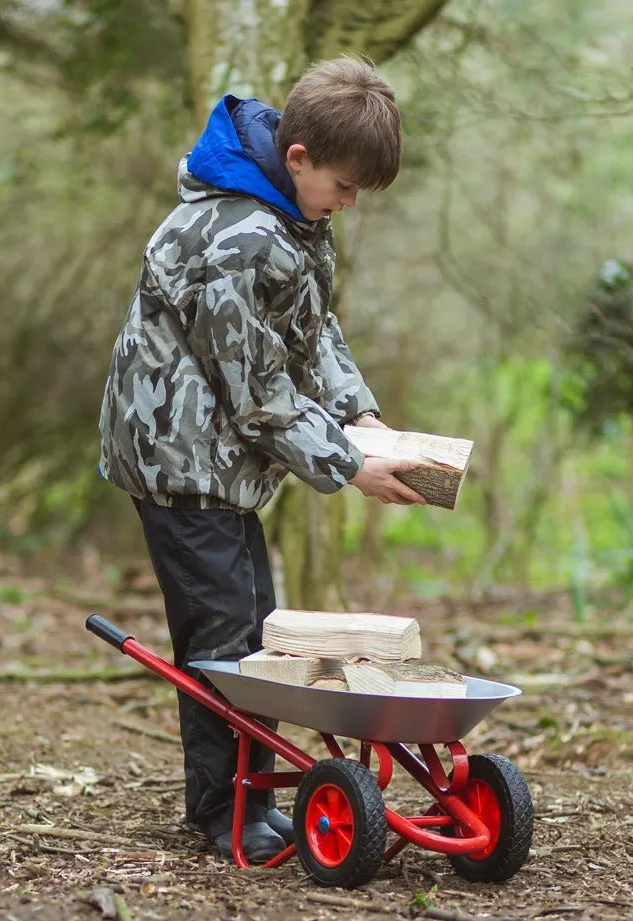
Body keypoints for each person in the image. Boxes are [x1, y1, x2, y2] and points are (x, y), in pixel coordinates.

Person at [98, 56, 425, 863]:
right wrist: (350, 466)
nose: (348, 205)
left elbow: (314, 334)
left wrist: (362, 415)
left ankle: (246, 797)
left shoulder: (292, 217)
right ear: (299, 155)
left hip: (222, 460)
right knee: (224, 637)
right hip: (179, 458)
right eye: (344, 187)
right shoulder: (240, 238)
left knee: (254, 632)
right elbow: (261, 394)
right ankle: (224, 815)